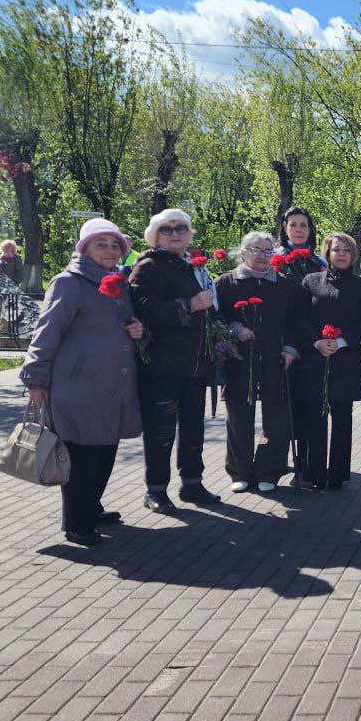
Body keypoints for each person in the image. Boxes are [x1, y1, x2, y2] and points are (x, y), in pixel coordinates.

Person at [20, 219, 144, 545]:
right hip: (77, 388)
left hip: (111, 388)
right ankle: (78, 524)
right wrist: (35, 380)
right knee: (80, 459)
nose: (109, 250)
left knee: (104, 454)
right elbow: (45, 334)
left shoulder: (118, 284)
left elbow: (127, 327)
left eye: (114, 245)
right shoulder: (69, 283)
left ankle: (91, 506)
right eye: (101, 244)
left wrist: (139, 331)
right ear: (85, 248)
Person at [130, 208, 221, 513]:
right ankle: (155, 489)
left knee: (194, 428)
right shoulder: (149, 267)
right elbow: (146, 310)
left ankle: (192, 483)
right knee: (161, 430)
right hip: (163, 365)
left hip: (195, 364)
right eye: (166, 229)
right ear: (156, 235)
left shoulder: (192, 266)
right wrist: (190, 304)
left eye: (180, 228)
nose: (174, 233)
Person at [214, 231, 298, 495]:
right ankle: (239, 471)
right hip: (240, 360)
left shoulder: (284, 284)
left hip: (275, 359)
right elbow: (216, 319)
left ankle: (269, 470)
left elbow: (296, 322)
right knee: (239, 416)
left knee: (277, 417)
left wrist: (290, 349)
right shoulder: (226, 282)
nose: (263, 256)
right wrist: (235, 328)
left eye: (268, 250)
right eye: (256, 250)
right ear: (243, 252)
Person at [294, 233, 361, 491]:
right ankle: (314, 472)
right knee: (315, 417)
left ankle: (338, 474)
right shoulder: (310, 281)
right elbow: (300, 316)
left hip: (345, 359)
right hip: (314, 357)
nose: (341, 254)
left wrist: (342, 341)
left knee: (342, 417)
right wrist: (316, 341)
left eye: (346, 250)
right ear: (327, 253)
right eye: (336, 249)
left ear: (353, 255)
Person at [274, 206, 328, 283]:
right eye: (293, 225)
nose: (298, 230)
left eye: (303, 225)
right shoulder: (274, 257)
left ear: (309, 229)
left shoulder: (320, 262)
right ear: (286, 229)